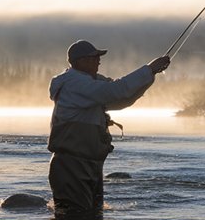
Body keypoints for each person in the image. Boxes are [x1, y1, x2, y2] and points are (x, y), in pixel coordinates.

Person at [47, 39, 170, 209]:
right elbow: (115, 91)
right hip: (72, 166)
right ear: (80, 61)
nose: (99, 60)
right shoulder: (74, 83)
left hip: (90, 165)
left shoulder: (90, 83)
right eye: (94, 56)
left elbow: (122, 99)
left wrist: (151, 74)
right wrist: (149, 69)